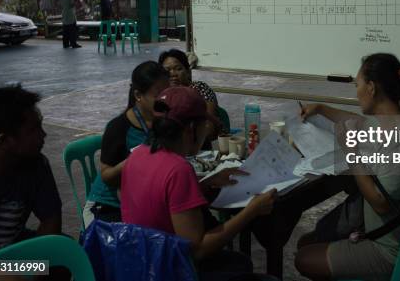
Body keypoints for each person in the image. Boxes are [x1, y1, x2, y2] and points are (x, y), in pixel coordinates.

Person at [294, 53, 400, 281]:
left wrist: (352, 153)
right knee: (307, 242)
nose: (356, 92)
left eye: (358, 85)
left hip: (392, 251)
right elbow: (356, 122)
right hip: (386, 236)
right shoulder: (391, 122)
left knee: (303, 259)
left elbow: (381, 203)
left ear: (372, 88)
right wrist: (321, 108)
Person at [120, 86, 277, 279]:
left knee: (239, 262)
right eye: (205, 126)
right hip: (173, 271)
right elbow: (197, 250)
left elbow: (160, 198)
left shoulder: (138, 155)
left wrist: (206, 182)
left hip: (142, 263)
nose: (206, 132)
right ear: (191, 129)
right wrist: (251, 211)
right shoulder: (178, 169)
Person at [0, 85, 62, 259]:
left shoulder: (37, 165)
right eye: (34, 129)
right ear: (4, 140)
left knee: (63, 252)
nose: (43, 135)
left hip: (9, 257)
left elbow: (51, 222)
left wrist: (37, 269)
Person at [83, 61, 170, 227]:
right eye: (158, 95)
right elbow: (107, 176)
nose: (164, 100)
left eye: (167, 94)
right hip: (108, 206)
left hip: (142, 202)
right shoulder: (118, 127)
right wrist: (136, 159)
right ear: (138, 95)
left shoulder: (165, 121)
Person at [159, 49, 223, 146]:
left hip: (199, 147)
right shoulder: (161, 95)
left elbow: (209, 128)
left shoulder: (200, 89)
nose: (173, 74)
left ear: (188, 71)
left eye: (178, 69)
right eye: (167, 70)